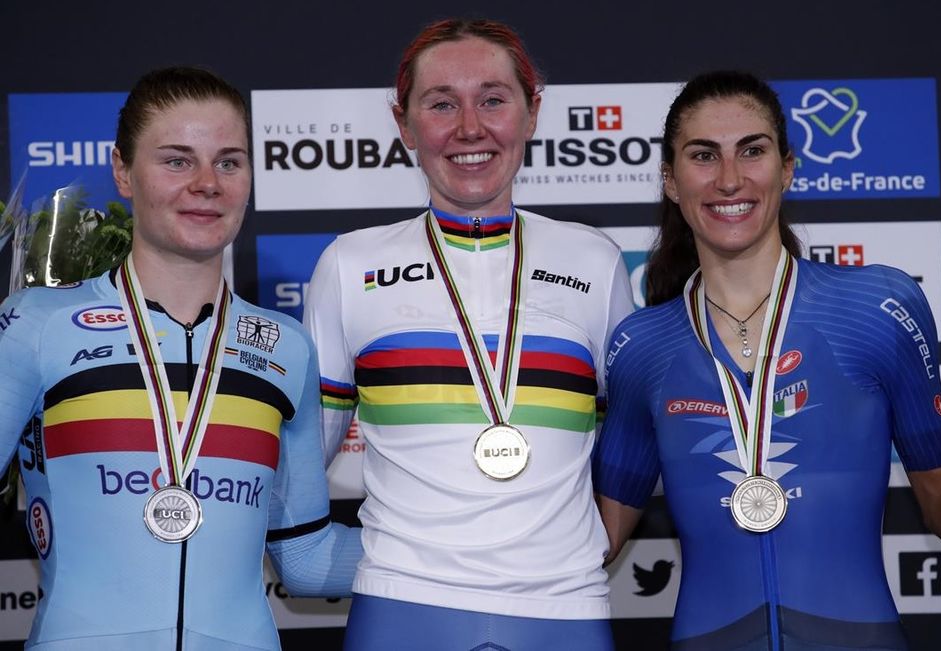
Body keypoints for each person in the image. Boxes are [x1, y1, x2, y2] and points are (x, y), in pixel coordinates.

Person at [592, 70, 941, 651]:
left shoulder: (877, 308)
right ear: (671, 180)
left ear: (788, 168)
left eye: (753, 151)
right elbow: (598, 537)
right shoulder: (641, 346)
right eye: (703, 155)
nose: (729, 179)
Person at [0, 66, 362, 650]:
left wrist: (484, 544)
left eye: (229, 162)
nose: (207, 184)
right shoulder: (39, 326)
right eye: (176, 160)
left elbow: (305, 559)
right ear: (123, 170)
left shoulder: (285, 347)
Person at [304, 18, 634, 651]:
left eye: (492, 99)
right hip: (402, 606)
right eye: (441, 104)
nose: (470, 128)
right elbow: (304, 456)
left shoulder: (595, 261)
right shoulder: (349, 265)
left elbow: (629, 434)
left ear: (532, 113)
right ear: (403, 124)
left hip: (566, 605)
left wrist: (599, 536)